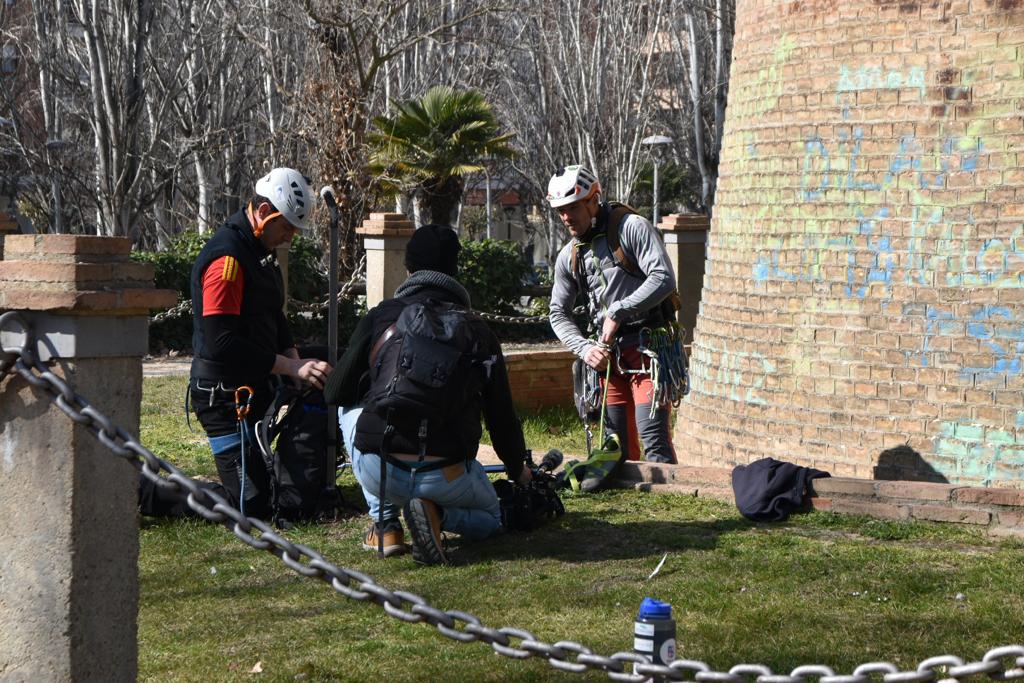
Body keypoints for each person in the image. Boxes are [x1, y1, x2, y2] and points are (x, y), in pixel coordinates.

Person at [324, 224, 532, 566]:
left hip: (382, 469)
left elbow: (335, 392)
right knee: (493, 519)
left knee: (350, 406)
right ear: (455, 270)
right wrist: (517, 470)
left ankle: (386, 525)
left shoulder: (382, 316)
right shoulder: (479, 330)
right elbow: (501, 416)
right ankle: (437, 515)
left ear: (408, 269)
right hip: (447, 475)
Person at [185, 167, 332, 519]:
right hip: (223, 397)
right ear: (264, 212)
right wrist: (289, 367)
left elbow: (273, 314)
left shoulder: (258, 251)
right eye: (286, 227)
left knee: (331, 359)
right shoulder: (228, 260)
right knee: (249, 506)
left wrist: (295, 359)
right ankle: (148, 492)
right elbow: (222, 342)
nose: (290, 238)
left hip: (254, 384)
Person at [547, 164, 678, 491]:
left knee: (653, 438)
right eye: (561, 212)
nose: (566, 218)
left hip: (648, 349)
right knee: (615, 446)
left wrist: (618, 310)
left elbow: (663, 278)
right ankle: (635, 514)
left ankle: (674, 505)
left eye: (572, 208)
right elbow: (557, 313)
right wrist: (584, 348)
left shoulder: (632, 227)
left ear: (594, 199)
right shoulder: (569, 255)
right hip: (606, 360)